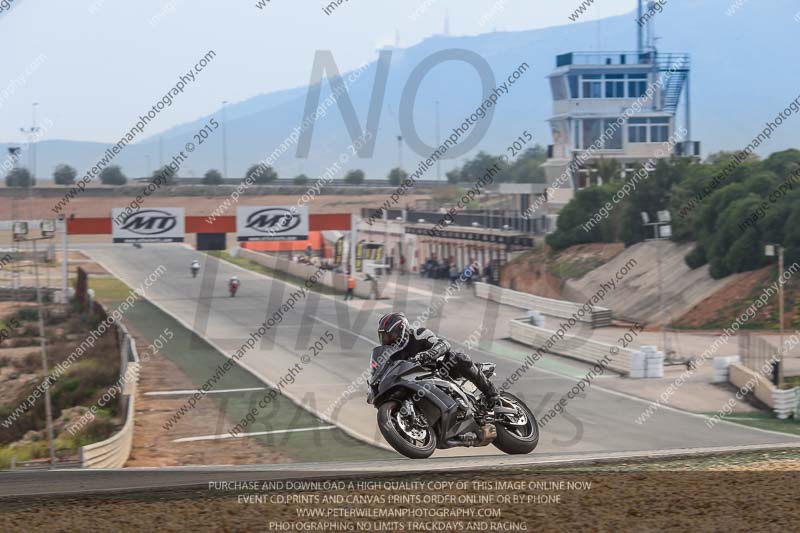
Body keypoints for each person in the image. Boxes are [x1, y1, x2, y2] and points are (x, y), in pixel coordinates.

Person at [376, 312, 499, 408]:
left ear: (401, 330)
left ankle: (491, 392)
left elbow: (444, 344)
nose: (386, 340)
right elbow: (382, 371)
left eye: (389, 335)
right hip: (414, 383)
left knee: (458, 358)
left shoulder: (418, 334)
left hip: (440, 372)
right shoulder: (391, 354)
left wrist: (427, 354)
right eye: (384, 336)